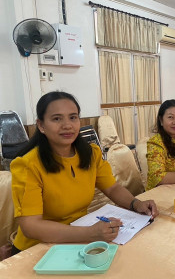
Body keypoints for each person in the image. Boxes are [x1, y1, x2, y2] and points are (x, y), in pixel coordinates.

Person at [10, 91, 158, 254]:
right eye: (57, 118)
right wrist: (90, 233)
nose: (67, 125)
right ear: (41, 125)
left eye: (73, 117)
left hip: (78, 240)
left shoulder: (90, 153)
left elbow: (112, 188)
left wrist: (135, 204)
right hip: (37, 249)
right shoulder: (27, 165)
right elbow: (32, 226)